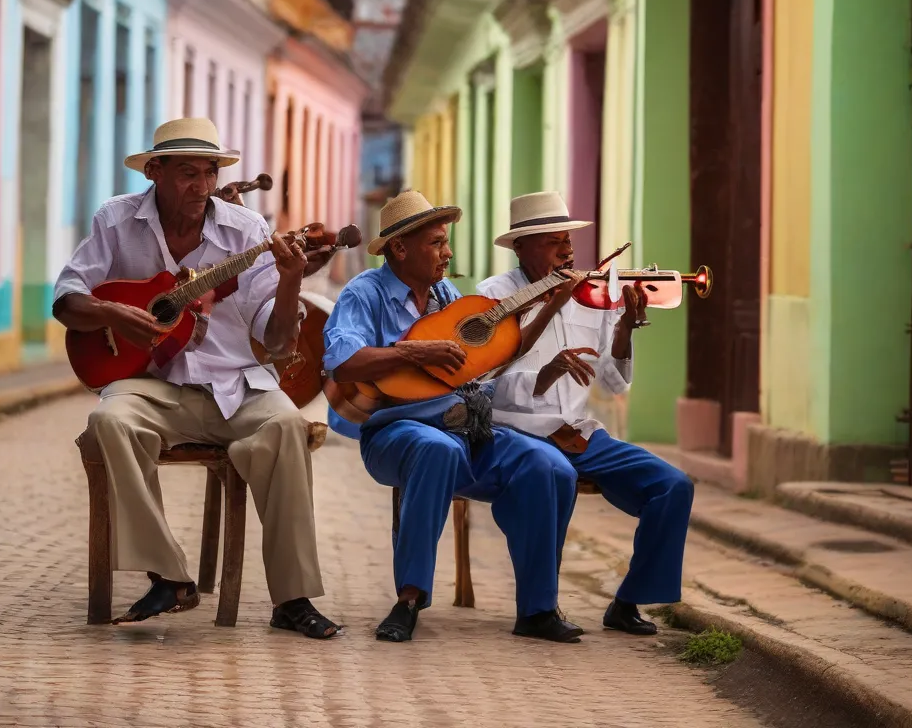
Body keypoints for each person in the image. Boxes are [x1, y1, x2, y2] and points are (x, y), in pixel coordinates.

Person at [53, 117, 341, 638]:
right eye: (188, 172)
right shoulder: (116, 222)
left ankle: (293, 599)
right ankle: (168, 575)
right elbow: (68, 300)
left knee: (285, 427)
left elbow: (277, 344)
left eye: (209, 172)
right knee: (111, 420)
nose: (202, 186)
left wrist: (291, 280)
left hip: (236, 385)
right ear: (155, 171)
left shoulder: (246, 233)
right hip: (154, 386)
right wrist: (114, 315)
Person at [322, 190, 582, 643]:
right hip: (396, 431)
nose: (448, 253)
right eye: (437, 243)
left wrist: (551, 301)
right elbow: (341, 362)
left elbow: (494, 357)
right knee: (436, 449)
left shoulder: (447, 295)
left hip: (468, 427)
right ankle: (409, 598)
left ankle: (538, 608)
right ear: (400, 249)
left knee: (552, 466)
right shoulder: (365, 293)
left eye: (446, 242)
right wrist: (408, 351)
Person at [478, 191, 694, 636]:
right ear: (521, 246)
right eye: (554, 241)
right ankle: (537, 611)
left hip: (577, 433)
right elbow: (480, 389)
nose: (568, 250)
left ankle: (628, 601)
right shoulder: (492, 298)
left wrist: (625, 329)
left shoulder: (591, 297)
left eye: (568, 240)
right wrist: (543, 376)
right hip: (517, 433)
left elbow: (614, 382)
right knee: (552, 472)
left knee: (672, 487)